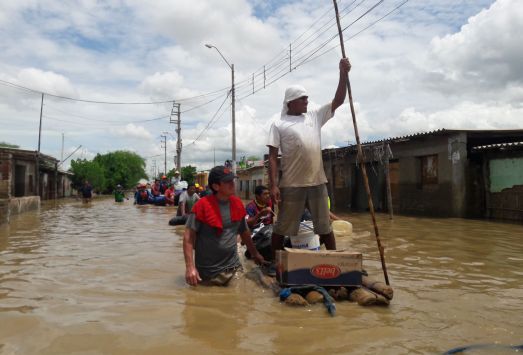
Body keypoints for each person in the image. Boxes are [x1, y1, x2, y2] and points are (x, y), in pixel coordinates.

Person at [267, 58, 351, 259]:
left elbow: (338, 101)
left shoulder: (314, 116)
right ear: (291, 102)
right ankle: (273, 263)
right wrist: (273, 185)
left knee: (324, 226)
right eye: (303, 98)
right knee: (282, 227)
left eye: (307, 98)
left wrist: (343, 74)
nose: (307, 101)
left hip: (317, 182)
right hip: (291, 184)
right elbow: (272, 157)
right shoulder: (278, 123)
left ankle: (335, 261)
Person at [183, 165, 265, 286]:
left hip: (233, 268)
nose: (232, 184)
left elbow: (244, 232)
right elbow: (188, 238)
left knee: (243, 299)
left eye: (232, 180)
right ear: (216, 186)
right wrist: (190, 268)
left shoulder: (237, 204)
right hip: (208, 273)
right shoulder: (201, 206)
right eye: (227, 181)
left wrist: (255, 254)